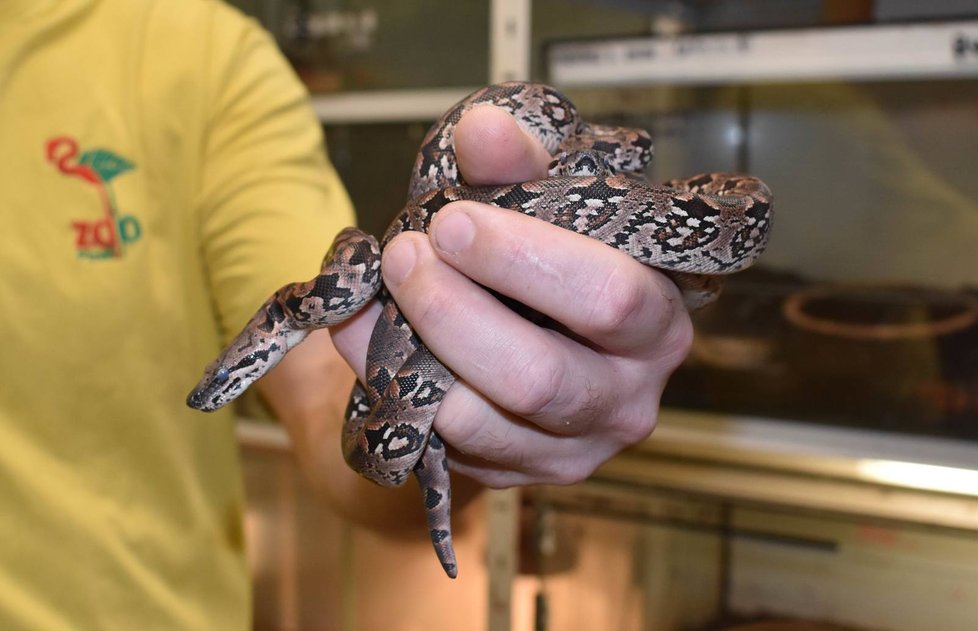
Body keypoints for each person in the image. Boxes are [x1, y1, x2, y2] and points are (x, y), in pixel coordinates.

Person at [0, 0, 692, 628]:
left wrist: (493, 400)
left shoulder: (193, 53)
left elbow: (332, 386)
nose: (220, 394)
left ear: (249, 355)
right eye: (219, 388)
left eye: (223, 384)